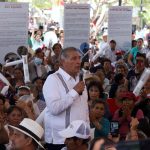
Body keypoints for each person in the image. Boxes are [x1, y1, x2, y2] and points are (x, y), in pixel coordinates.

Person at [43, 47, 89, 150]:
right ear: (62, 62)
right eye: (73, 59)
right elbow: (54, 108)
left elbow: (84, 109)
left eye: (79, 58)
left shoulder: (80, 79)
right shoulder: (53, 79)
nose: (78, 62)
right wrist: (74, 92)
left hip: (80, 140)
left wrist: (87, 132)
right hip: (60, 140)